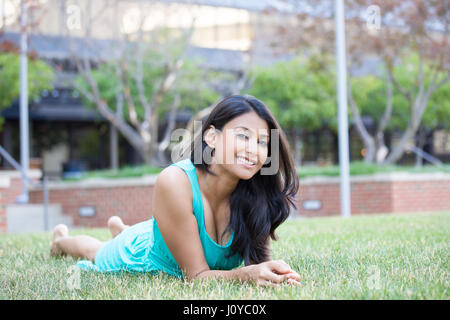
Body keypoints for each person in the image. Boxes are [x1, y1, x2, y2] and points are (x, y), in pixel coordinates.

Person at [50, 94, 301, 286]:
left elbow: (260, 263)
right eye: (243, 136)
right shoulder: (175, 181)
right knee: (96, 251)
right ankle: (61, 241)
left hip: (168, 230)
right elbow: (197, 277)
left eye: (262, 142)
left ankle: (123, 229)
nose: (253, 150)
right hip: (141, 255)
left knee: (145, 233)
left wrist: (274, 273)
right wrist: (245, 275)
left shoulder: (256, 192)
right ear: (212, 137)